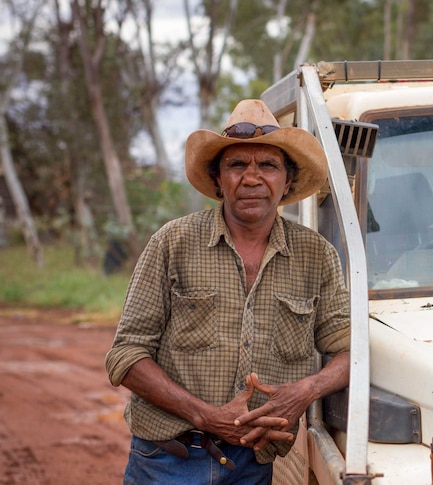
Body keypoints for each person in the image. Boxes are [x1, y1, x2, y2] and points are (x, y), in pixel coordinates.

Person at [105, 99, 351, 484]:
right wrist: (205, 415)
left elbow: (351, 351)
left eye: (267, 165)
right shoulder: (173, 242)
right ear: (218, 180)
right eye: (237, 165)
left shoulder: (316, 255)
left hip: (256, 463)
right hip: (169, 460)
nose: (251, 178)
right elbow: (126, 355)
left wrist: (304, 391)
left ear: (287, 181)